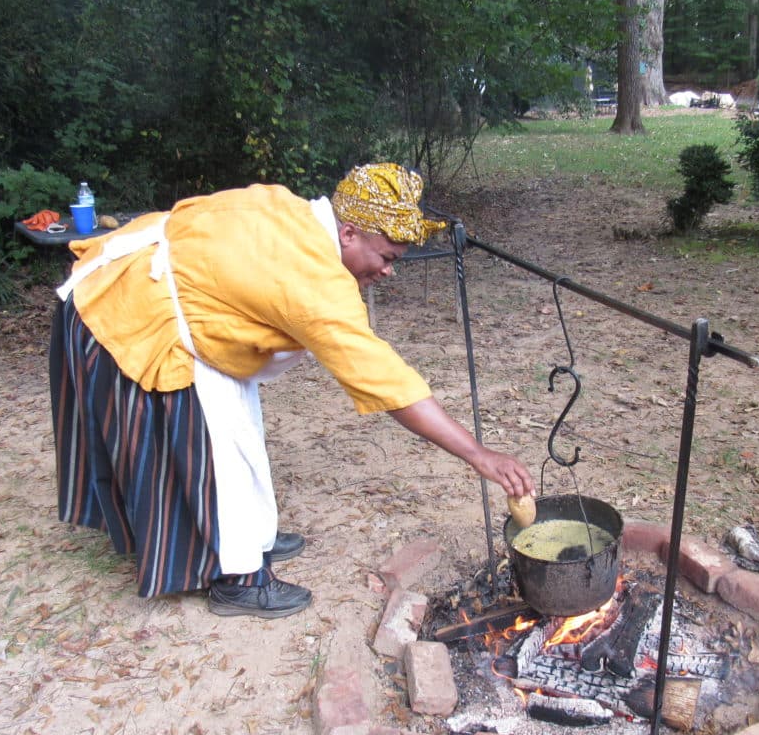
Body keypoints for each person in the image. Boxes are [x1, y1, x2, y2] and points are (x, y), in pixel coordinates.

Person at [49, 163, 534, 618]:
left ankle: (250, 538)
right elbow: (384, 379)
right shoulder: (312, 277)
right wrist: (477, 454)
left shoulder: (301, 220)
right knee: (212, 439)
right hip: (130, 305)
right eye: (386, 257)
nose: (388, 271)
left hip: (179, 299)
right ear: (348, 232)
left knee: (237, 419)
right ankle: (235, 577)